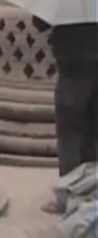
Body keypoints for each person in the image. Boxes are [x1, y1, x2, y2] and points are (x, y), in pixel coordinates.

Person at [33, 17, 98, 214]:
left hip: (72, 69)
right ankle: (91, 190)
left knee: (69, 136)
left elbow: (40, 21)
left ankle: (67, 197)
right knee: (93, 131)